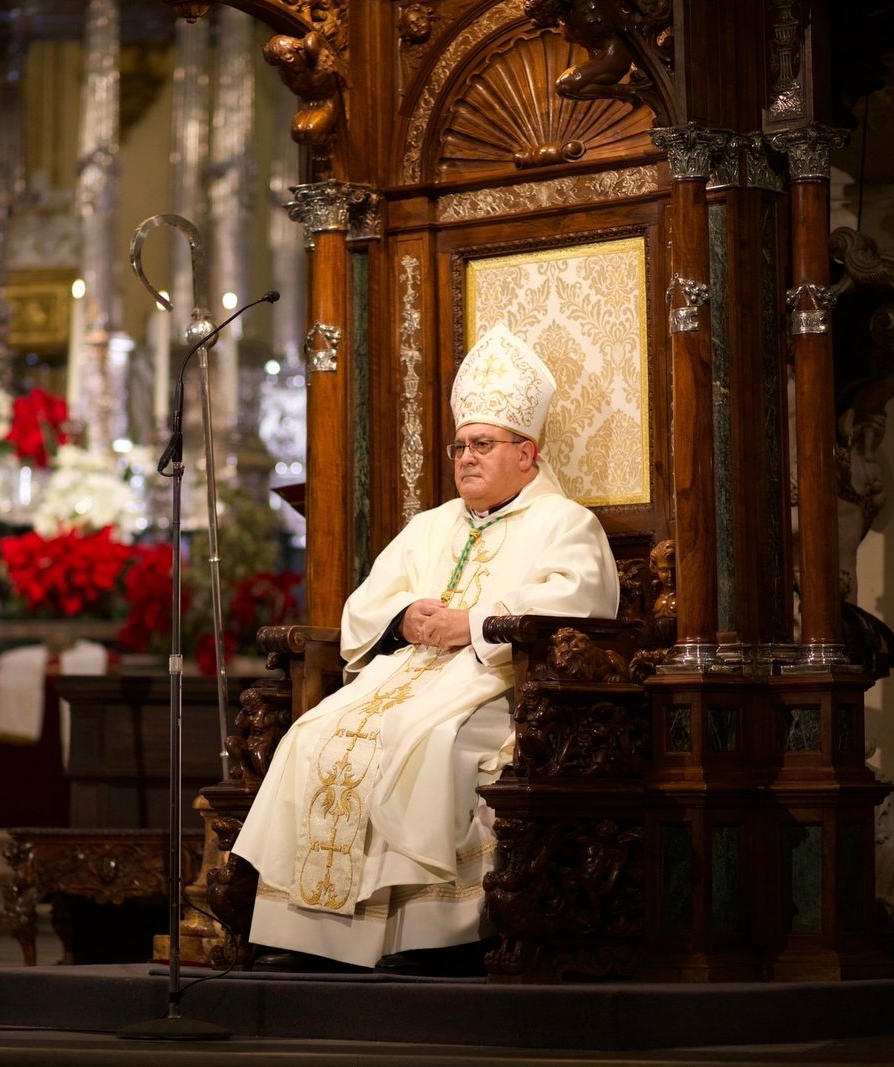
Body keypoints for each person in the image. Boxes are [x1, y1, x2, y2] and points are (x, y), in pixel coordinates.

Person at [232, 323, 618, 976]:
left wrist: (470, 623)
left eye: (484, 444)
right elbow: (362, 610)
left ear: (528, 453)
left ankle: (425, 932)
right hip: (401, 677)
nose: (466, 456)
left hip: (495, 687)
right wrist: (404, 615)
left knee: (430, 744)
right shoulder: (428, 526)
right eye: (460, 444)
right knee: (311, 734)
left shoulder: (566, 524)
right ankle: (309, 930)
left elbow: (580, 605)